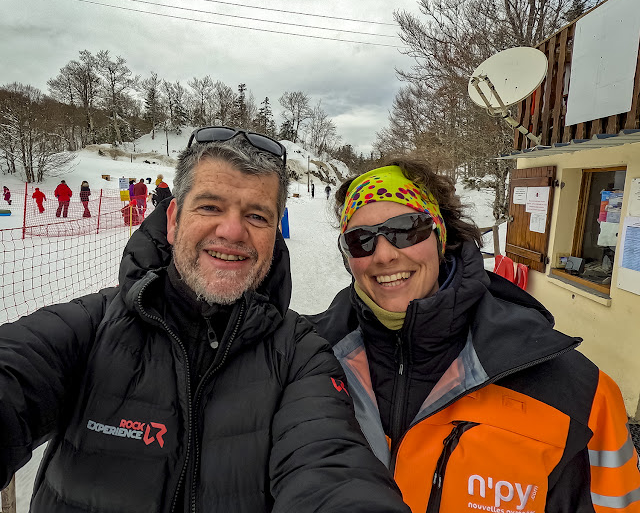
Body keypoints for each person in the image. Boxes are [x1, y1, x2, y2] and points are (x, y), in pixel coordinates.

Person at [0, 128, 410, 513]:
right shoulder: (91, 326)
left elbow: (331, 464)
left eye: (257, 216)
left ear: (274, 233)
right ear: (174, 220)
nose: (232, 231)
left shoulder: (301, 354)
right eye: (210, 206)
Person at [304, 160, 640, 512]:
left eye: (406, 229)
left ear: (440, 236)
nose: (385, 254)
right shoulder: (307, 363)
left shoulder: (579, 394)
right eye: (361, 240)